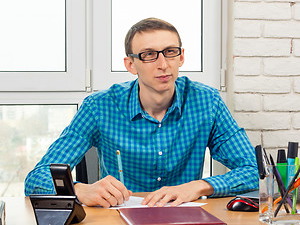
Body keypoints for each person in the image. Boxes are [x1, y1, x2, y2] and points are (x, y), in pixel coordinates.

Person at [25, 17, 258, 208]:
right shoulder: (99, 107)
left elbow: (254, 170)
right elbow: (37, 179)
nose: (163, 64)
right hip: (118, 218)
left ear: (181, 57)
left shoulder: (207, 102)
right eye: (148, 55)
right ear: (130, 65)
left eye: (170, 52)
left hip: (185, 218)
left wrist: (197, 186)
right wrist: (80, 190)